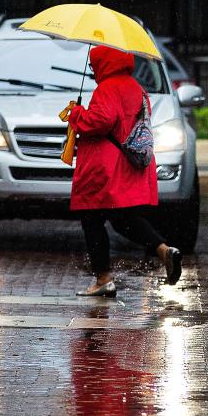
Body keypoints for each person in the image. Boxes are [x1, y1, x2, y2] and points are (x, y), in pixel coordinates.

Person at [67, 45, 182, 297]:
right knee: (123, 219)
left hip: (104, 168)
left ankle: (103, 278)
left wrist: (77, 114)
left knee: (92, 218)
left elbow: (101, 121)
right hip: (126, 166)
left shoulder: (107, 88)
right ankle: (164, 250)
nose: (92, 69)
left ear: (105, 63)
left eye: (94, 64)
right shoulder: (136, 88)